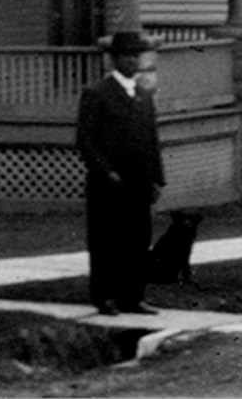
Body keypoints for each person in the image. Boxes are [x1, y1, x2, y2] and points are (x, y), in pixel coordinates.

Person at [72, 29, 163, 314]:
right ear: (114, 60)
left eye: (136, 56)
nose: (132, 61)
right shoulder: (98, 93)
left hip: (139, 181)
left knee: (137, 240)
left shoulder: (144, 96)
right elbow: (85, 140)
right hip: (108, 184)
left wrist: (158, 178)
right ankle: (105, 297)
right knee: (106, 241)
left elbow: (152, 139)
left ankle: (133, 296)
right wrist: (106, 171)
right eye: (125, 56)